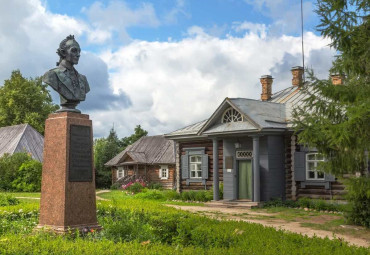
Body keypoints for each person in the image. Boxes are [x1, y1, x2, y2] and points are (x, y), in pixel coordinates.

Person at [43, 35, 90, 113]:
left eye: (79, 51)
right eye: (74, 50)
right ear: (63, 53)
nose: (78, 54)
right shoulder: (51, 75)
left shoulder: (83, 79)